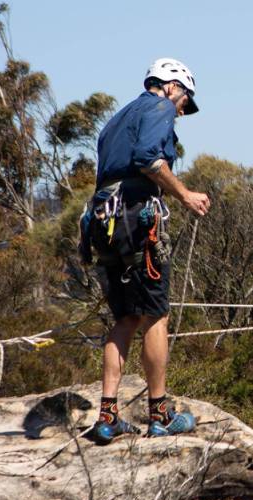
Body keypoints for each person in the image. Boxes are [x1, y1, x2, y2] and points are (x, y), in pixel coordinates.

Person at [79, 58, 211, 444]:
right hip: (136, 221)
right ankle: (161, 414)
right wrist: (185, 194)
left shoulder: (116, 120)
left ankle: (107, 417)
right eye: (185, 99)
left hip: (103, 223)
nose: (182, 110)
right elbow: (149, 159)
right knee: (155, 315)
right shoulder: (160, 107)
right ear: (172, 86)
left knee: (125, 317)